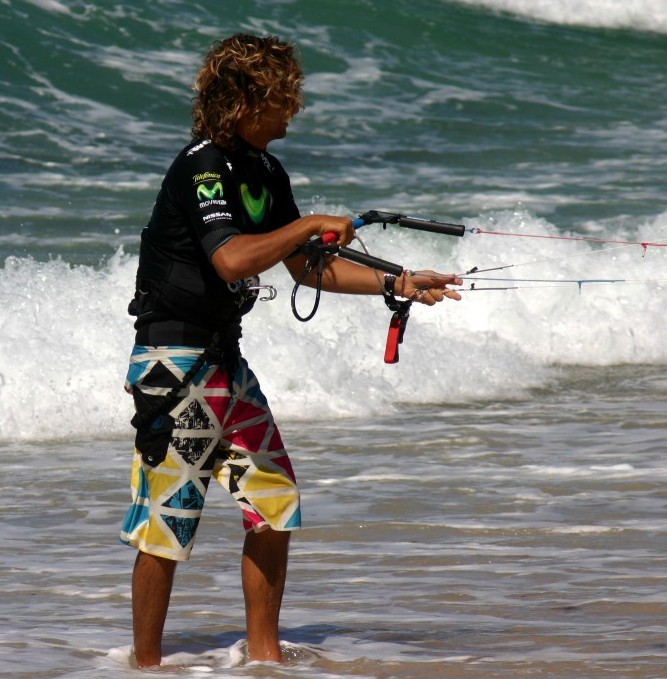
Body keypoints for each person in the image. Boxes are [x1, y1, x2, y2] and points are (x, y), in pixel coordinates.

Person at [119, 33, 462, 668]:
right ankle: (144, 666)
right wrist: (306, 225)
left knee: (274, 503)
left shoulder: (267, 172)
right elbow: (231, 260)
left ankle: (265, 659)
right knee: (168, 525)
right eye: (283, 98)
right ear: (246, 100)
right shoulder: (200, 167)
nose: (293, 110)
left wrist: (398, 282)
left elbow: (306, 266)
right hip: (174, 366)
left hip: (225, 363)